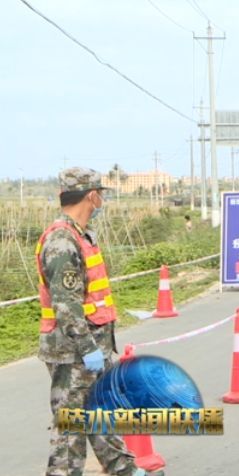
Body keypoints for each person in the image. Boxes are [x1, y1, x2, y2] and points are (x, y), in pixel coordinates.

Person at [38, 167, 159, 476]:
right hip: (73, 351)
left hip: (92, 347)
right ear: (92, 196)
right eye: (100, 194)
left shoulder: (80, 235)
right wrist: (87, 347)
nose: (102, 199)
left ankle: (125, 470)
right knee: (71, 428)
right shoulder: (62, 242)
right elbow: (67, 304)